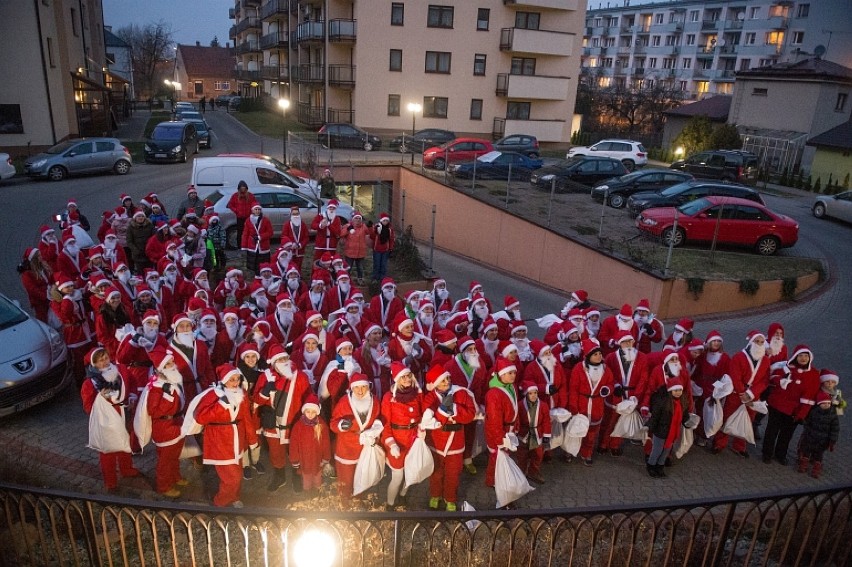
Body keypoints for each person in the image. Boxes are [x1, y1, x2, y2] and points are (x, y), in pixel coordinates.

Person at [190, 364, 259, 508]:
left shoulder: (243, 394)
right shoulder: (213, 395)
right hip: (220, 441)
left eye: (237, 379)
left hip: (237, 440)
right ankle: (220, 503)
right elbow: (201, 418)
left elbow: (247, 418)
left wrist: (252, 440)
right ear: (223, 380)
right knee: (231, 477)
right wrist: (221, 405)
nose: (235, 383)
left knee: (237, 474)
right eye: (231, 380)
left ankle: (234, 497)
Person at [254, 344, 312, 493]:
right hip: (273, 425)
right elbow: (257, 401)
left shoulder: (300, 376)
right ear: (273, 363)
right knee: (276, 453)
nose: (284, 361)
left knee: (296, 453)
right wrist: (265, 392)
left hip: (294, 424)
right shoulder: (265, 377)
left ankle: (297, 477)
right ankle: (280, 476)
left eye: (285, 358)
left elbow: (309, 397)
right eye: (279, 359)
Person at [80, 346, 140, 491]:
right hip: (106, 419)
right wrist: (102, 407)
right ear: (93, 364)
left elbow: (132, 382)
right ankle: (110, 481)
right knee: (108, 450)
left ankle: (127, 469)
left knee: (125, 442)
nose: (104, 363)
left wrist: (132, 396)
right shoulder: (90, 383)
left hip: (124, 412)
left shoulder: (121, 370)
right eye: (100, 361)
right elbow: (88, 406)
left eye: (106, 358)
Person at [423, 365, 477, 511]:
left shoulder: (461, 393)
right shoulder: (430, 397)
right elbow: (429, 420)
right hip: (436, 440)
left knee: (453, 473)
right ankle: (435, 495)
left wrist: (454, 409)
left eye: (447, 378)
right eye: (442, 381)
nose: (447, 382)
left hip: (456, 441)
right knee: (436, 471)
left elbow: (470, 414)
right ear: (435, 384)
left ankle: (450, 498)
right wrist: (442, 411)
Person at [135, 347, 187, 497]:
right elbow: (154, 412)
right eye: (169, 364)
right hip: (165, 428)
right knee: (165, 459)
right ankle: (164, 486)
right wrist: (168, 396)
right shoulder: (156, 388)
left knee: (175, 455)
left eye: (172, 362)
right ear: (160, 369)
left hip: (176, 423)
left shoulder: (172, 380)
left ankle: (175, 477)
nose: (173, 365)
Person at [712, 331, 770, 457]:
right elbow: (735, 376)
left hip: (752, 396)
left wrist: (751, 393)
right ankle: (719, 442)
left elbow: (764, 380)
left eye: (761, 342)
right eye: (756, 341)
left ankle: (739, 446)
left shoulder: (765, 360)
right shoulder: (739, 357)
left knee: (748, 420)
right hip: (736, 393)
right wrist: (742, 392)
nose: (759, 344)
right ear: (751, 342)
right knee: (727, 417)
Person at [761, 345, 820, 465]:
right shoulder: (785, 367)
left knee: (786, 435)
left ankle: (780, 455)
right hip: (776, 405)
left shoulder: (813, 374)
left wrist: (801, 414)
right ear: (795, 356)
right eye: (800, 356)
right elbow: (772, 377)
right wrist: (781, 380)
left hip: (794, 411)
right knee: (771, 431)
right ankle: (767, 454)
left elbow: (810, 397)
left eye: (806, 356)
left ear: (810, 358)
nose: (803, 358)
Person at [380, 361, 425, 510]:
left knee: (411, 472)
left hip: (413, 439)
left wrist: (421, 430)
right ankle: (390, 503)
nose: (406, 380)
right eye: (403, 377)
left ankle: (403, 495)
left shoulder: (417, 394)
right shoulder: (389, 398)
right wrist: (391, 443)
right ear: (396, 379)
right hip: (397, 441)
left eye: (408, 376)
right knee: (398, 476)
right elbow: (385, 424)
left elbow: (421, 415)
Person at [567, 339, 615, 466]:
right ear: (588, 356)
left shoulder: (605, 369)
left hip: (596, 405)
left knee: (592, 433)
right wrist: (573, 407)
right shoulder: (579, 368)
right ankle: (571, 451)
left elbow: (610, 384)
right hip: (581, 405)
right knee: (577, 431)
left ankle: (586, 453)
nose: (599, 356)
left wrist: (607, 390)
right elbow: (573, 389)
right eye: (595, 354)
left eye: (600, 354)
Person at [600, 332, 648, 456]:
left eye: (630, 341)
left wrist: (635, 396)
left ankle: (615, 444)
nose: (628, 344)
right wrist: (615, 384)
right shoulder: (611, 357)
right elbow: (607, 374)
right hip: (616, 393)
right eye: (624, 342)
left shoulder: (642, 357)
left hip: (632, 394)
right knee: (610, 419)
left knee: (624, 420)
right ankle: (603, 443)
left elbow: (643, 378)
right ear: (619, 343)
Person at [484, 358, 519, 489]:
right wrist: (499, 439)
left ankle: (500, 476)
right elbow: (494, 419)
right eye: (510, 373)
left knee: (504, 454)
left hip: (509, 427)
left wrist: (516, 425)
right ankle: (492, 480)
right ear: (501, 374)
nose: (513, 375)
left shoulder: (511, 387)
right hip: (499, 430)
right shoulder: (493, 394)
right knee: (496, 456)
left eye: (514, 373)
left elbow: (515, 407)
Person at [288, 394, 333, 494]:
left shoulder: (321, 425)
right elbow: (293, 444)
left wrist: (326, 457)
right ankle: (307, 492)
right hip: (304, 460)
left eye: (313, 412)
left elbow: (326, 442)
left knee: (317, 477)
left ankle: (317, 491)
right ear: (304, 411)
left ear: (317, 412)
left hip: (317, 459)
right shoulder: (298, 426)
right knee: (306, 478)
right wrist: (294, 459)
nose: (310, 414)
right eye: (308, 411)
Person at [646, 378, 689, 478]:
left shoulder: (682, 402)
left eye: (680, 390)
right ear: (670, 390)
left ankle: (660, 467)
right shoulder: (662, 402)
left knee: (666, 451)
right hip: (660, 431)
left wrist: (688, 422)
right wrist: (650, 428)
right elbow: (655, 416)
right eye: (676, 390)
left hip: (672, 432)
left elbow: (684, 415)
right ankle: (651, 466)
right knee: (657, 450)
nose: (678, 393)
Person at [798, 391, 840, 479]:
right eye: (823, 403)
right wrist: (807, 432)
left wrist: (832, 441)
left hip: (823, 441)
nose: (826, 405)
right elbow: (808, 423)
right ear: (819, 404)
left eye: (828, 403)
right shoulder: (814, 412)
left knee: (818, 456)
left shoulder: (833, 415)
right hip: (811, 438)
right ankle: (803, 465)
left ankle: (816, 470)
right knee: (806, 452)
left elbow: (835, 429)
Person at [516, 380, 551, 485]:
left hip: (537, 433)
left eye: (535, 393)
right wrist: (516, 432)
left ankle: (533, 472)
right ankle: (520, 474)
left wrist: (546, 435)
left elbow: (546, 421)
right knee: (522, 456)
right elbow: (517, 420)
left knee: (537, 456)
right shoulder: (520, 405)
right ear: (526, 394)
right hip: (524, 434)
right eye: (530, 393)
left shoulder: (543, 405)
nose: (533, 395)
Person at [18, 248, 52, 322]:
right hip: (40, 303)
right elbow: (32, 290)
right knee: (44, 320)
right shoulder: (27, 274)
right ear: (34, 259)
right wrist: (46, 296)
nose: (41, 257)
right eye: (39, 256)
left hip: (49, 298)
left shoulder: (41, 267)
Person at [241, 203, 273, 274]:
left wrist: (260, 237)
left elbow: (270, 232)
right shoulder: (248, 220)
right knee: (254, 262)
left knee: (263, 262)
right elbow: (245, 234)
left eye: (259, 209)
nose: (257, 211)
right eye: (256, 209)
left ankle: (264, 274)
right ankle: (256, 274)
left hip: (263, 245)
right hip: (252, 245)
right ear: (252, 210)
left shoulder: (266, 220)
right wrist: (244, 246)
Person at [227, 181, 257, 249]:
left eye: (244, 188)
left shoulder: (250, 196)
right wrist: (236, 211)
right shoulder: (235, 196)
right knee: (240, 232)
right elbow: (230, 205)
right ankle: (240, 246)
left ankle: (248, 245)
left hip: (248, 217)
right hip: (240, 217)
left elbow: (254, 204)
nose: (243, 189)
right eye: (241, 188)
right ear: (239, 189)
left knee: (249, 232)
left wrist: (252, 211)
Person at [342, 211, 369, 284]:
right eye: (356, 218)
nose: (357, 220)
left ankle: (360, 279)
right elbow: (341, 234)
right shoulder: (348, 226)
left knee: (360, 267)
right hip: (350, 252)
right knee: (348, 267)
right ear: (353, 219)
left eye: (359, 218)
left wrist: (370, 226)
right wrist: (347, 229)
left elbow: (368, 232)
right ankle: (345, 279)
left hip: (360, 252)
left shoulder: (363, 226)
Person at [371, 213, 394, 283]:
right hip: (377, 249)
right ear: (381, 221)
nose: (385, 222)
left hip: (385, 250)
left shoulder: (389, 229)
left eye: (387, 221)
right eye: (384, 221)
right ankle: (375, 277)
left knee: (383, 265)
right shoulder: (377, 227)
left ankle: (382, 278)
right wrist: (375, 231)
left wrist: (391, 248)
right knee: (377, 264)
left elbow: (391, 239)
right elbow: (372, 236)